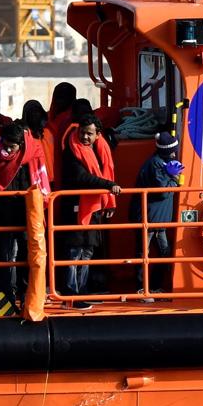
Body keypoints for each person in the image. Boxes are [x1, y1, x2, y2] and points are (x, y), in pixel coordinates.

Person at [58, 114, 122, 309]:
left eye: (89, 134)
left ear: (97, 135)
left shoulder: (94, 149)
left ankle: (81, 291)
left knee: (86, 251)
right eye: (82, 133)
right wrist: (108, 185)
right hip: (76, 208)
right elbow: (82, 177)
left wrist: (108, 201)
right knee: (75, 252)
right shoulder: (72, 151)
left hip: (92, 208)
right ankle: (71, 293)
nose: (84, 137)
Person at [0, 122, 51, 304]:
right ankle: (5, 294)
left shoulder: (33, 154)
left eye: (12, 146)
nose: (7, 150)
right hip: (2, 212)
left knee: (27, 254)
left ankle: (25, 292)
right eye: (5, 145)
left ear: (21, 144)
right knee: (3, 255)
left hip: (26, 212)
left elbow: (39, 180)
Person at [128, 132, 183, 300]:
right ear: (167, 151)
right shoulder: (155, 164)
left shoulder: (159, 163)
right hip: (148, 219)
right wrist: (174, 178)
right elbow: (162, 192)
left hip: (156, 221)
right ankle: (141, 289)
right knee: (143, 255)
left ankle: (154, 287)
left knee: (162, 254)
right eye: (172, 151)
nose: (175, 154)